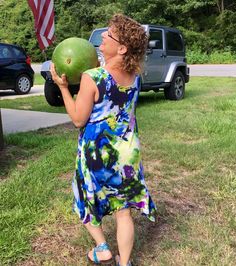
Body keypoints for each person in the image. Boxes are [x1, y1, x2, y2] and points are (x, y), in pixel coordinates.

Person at [50, 14, 156, 266]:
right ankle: (125, 262)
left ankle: (103, 247)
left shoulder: (92, 77)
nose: (102, 38)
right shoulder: (134, 77)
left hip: (97, 152)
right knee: (123, 210)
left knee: (84, 197)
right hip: (127, 152)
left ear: (121, 48)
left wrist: (63, 88)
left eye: (108, 35)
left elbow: (78, 119)